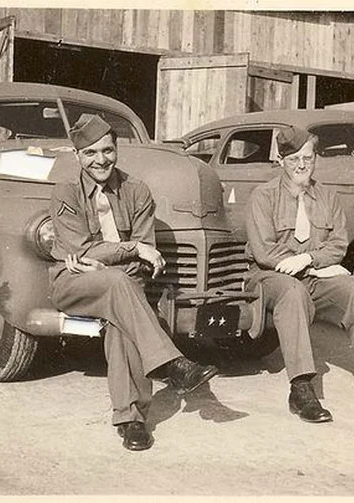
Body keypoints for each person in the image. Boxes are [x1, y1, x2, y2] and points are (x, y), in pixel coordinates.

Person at [49, 114, 218, 451]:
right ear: (77, 155)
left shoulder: (136, 190)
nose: (101, 160)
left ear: (117, 149)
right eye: (90, 153)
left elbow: (145, 258)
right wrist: (132, 248)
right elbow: (83, 250)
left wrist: (111, 259)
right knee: (119, 289)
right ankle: (172, 365)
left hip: (122, 282)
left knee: (121, 321)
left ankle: (131, 421)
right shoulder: (65, 192)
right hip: (72, 283)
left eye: (108, 151)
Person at [244, 125, 354, 423]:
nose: (302, 165)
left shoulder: (327, 196)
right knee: (293, 292)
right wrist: (305, 262)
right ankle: (302, 388)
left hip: (314, 273)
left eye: (308, 157)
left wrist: (308, 259)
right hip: (269, 278)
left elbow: (338, 246)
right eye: (294, 160)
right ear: (280, 161)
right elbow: (265, 252)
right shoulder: (263, 197)